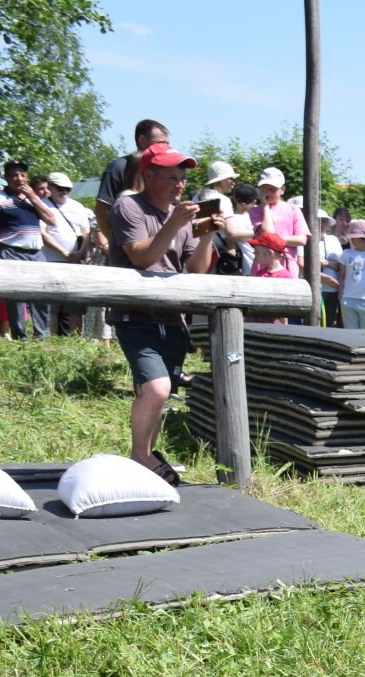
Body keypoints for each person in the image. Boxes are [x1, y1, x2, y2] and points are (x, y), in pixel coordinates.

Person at [107, 141, 221, 485]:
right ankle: (140, 456)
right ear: (149, 175)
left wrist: (207, 234)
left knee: (161, 393)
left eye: (182, 178)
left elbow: (197, 268)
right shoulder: (129, 205)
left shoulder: (181, 216)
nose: (180, 184)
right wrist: (174, 223)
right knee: (156, 389)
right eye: (172, 177)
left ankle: (146, 456)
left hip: (173, 317)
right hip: (136, 314)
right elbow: (141, 257)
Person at [0, 160, 60, 339]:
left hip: (36, 252)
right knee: (16, 295)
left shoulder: (33, 198)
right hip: (11, 250)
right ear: (6, 177)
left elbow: (51, 220)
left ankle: (42, 336)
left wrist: (33, 197)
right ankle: (20, 337)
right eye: (14, 175)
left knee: (42, 293)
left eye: (22, 175)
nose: (19, 178)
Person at [93, 119, 167, 251]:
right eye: (160, 143)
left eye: (167, 144)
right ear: (142, 140)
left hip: (157, 247)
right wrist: (119, 243)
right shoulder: (120, 167)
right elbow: (102, 211)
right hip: (130, 248)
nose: (165, 148)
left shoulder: (166, 170)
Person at [36, 172, 94, 335]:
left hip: (76, 262)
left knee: (75, 305)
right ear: (51, 187)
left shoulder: (77, 207)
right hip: (51, 261)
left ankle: (76, 340)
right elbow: (42, 233)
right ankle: (52, 339)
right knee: (52, 306)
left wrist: (81, 252)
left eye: (67, 189)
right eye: (60, 189)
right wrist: (63, 252)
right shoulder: (42, 205)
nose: (64, 192)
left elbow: (86, 232)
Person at [247, 167, 310, 274]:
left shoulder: (293, 209)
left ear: (282, 190)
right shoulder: (255, 210)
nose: (268, 193)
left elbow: (302, 240)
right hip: (261, 267)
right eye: (265, 189)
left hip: (287, 266)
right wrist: (265, 206)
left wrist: (275, 241)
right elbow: (267, 232)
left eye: (273, 189)